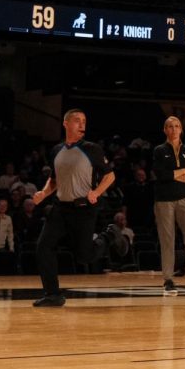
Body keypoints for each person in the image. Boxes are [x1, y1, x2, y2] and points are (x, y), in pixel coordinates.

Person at [32, 109, 116, 308]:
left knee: (84, 256)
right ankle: (53, 294)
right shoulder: (56, 151)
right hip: (60, 208)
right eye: (77, 120)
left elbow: (110, 176)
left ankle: (110, 235)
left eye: (84, 121)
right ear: (66, 124)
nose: (82, 124)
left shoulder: (92, 149)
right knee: (43, 247)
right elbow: (54, 180)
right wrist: (43, 193)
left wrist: (96, 192)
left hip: (83, 209)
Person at [153, 115, 185, 296]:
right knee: (168, 240)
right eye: (170, 127)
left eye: (177, 126)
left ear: (181, 129)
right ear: (165, 130)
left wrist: (173, 175)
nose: (174, 129)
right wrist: (181, 172)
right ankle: (168, 279)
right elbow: (160, 174)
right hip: (164, 200)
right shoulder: (159, 150)